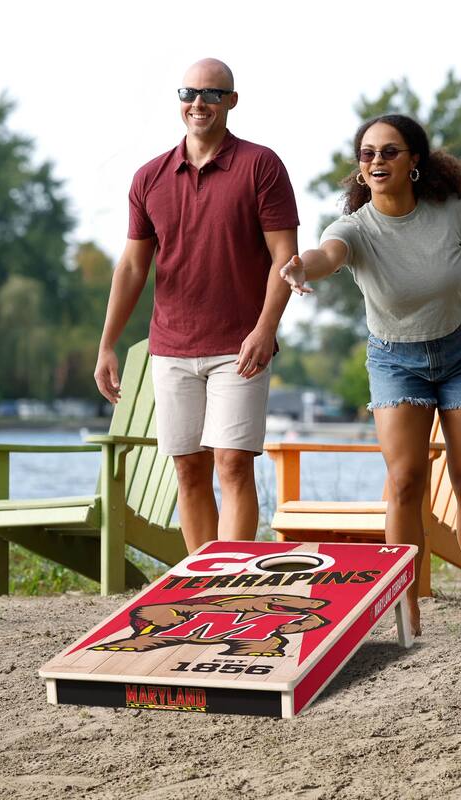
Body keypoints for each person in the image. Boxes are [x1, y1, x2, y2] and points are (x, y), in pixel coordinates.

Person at [280, 114, 461, 634]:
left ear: (414, 162)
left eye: (389, 151)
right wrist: (300, 267)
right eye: (367, 154)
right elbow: (326, 255)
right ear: (359, 169)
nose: (377, 161)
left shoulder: (450, 211)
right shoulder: (354, 228)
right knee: (405, 480)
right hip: (395, 360)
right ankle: (405, 606)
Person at [94, 58, 299, 554]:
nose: (199, 103)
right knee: (188, 467)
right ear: (179, 101)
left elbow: (285, 258)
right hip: (172, 346)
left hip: (240, 346)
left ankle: (230, 583)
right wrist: (106, 345)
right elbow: (131, 269)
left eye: (211, 94)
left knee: (232, 462)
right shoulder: (149, 177)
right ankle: (201, 583)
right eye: (190, 93)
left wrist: (265, 329)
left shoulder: (260, 165)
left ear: (232, 101)